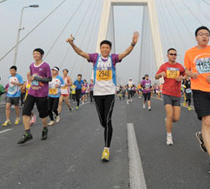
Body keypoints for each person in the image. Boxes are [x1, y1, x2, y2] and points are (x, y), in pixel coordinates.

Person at [67, 31, 139, 162]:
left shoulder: (114, 58)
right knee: (102, 121)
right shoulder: (95, 58)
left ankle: (106, 149)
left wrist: (133, 43)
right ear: (100, 49)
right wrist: (72, 44)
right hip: (97, 94)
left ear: (110, 49)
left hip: (110, 93)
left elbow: (126, 53)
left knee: (107, 120)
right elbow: (81, 53)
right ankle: (107, 130)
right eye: (103, 47)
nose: (105, 49)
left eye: (107, 47)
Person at [184, 26, 210, 174]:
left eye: (207, 35)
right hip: (199, 90)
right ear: (196, 37)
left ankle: (202, 135)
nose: (204, 36)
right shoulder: (190, 53)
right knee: (207, 121)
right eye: (201, 34)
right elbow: (186, 70)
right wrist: (192, 74)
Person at [18, 48, 52, 144]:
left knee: (43, 114)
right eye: (34, 54)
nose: (35, 55)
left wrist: (37, 78)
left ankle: (45, 128)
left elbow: (49, 79)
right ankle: (27, 133)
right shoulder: (31, 66)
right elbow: (32, 78)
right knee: (25, 112)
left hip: (42, 93)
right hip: (32, 92)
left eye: (37, 54)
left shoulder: (45, 66)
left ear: (42, 55)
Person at [156, 48, 186, 145]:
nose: (173, 56)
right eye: (171, 54)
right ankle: (169, 137)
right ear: (167, 55)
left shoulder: (180, 66)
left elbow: (186, 75)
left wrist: (181, 77)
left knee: (176, 118)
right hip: (167, 93)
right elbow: (156, 76)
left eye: (175, 54)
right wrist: (160, 74)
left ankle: (168, 120)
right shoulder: (164, 66)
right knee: (169, 115)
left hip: (177, 94)